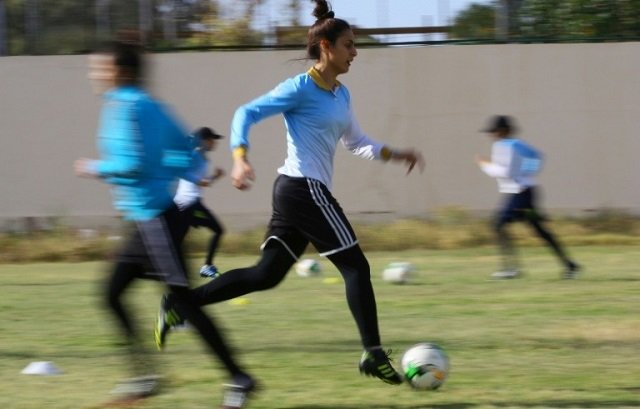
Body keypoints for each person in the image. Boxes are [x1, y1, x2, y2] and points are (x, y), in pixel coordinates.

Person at [154, 0, 424, 386]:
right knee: (356, 267)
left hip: (296, 192)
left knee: (266, 275)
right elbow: (244, 113)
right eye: (349, 44)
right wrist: (240, 158)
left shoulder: (341, 94)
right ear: (327, 47)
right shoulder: (299, 87)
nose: (356, 51)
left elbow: (356, 141)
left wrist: (396, 154)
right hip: (303, 189)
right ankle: (373, 354)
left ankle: (181, 303)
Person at [74, 39, 256, 408]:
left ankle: (239, 378)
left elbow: (134, 166)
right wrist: (190, 172)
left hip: (154, 220)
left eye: (100, 67)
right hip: (148, 220)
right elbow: (183, 149)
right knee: (112, 294)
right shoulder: (152, 106)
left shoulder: (125, 107)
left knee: (184, 303)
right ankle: (145, 377)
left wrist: (94, 168)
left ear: (120, 71)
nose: (94, 74)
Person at [475, 115, 580, 279]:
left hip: (518, 194)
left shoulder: (502, 146)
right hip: (528, 192)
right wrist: (527, 174)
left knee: (498, 224)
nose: (491, 135)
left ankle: (511, 268)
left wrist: (485, 166)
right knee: (540, 231)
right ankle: (570, 265)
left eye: (494, 131)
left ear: (503, 131)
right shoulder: (519, 144)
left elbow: (504, 172)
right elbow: (538, 156)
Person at [174, 126, 226, 279]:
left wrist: (215, 177)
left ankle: (170, 270)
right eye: (212, 139)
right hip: (188, 204)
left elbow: (203, 182)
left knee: (177, 241)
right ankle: (207, 266)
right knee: (218, 230)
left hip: (188, 205)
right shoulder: (195, 155)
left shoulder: (203, 158)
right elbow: (183, 171)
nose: (215, 143)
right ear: (205, 141)